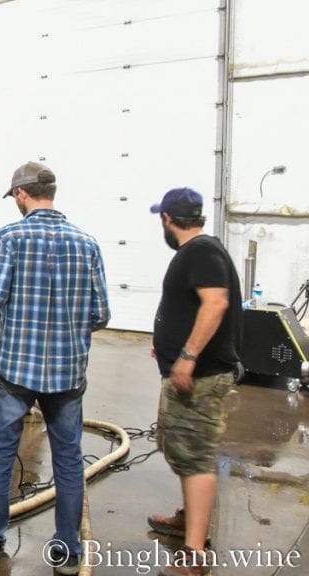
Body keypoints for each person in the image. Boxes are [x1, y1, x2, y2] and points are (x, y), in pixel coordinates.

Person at [0, 162, 110, 575]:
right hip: (68, 374)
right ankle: (67, 552)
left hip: (15, 373)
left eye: (14, 197)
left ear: (22, 194)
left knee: (1, 454)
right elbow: (101, 312)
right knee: (68, 459)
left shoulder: (9, 238)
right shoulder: (87, 243)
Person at [147, 188, 241, 576]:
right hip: (188, 374)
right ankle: (191, 520)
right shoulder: (203, 250)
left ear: (168, 219)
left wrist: (186, 356)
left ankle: (193, 552)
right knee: (182, 450)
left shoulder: (200, 252)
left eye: (161, 219)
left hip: (199, 378)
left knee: (197, 456)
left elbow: (215, 303)